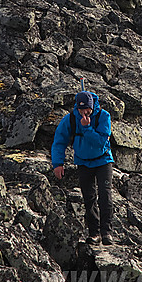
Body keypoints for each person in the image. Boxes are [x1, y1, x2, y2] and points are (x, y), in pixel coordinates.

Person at [51, 90, 114, 245]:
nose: (85, 112)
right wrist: (58, 164)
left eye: (87, 109)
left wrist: (86, 128)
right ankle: (94, 233)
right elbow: (59, 141)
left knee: (105, 195)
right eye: (81, 110)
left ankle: (107, 233)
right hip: (83, 162)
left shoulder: (103, 116)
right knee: (89, 197)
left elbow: (101, 142)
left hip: (103, 161)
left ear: (92, 106)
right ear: (77, 108)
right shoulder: (71, 119)